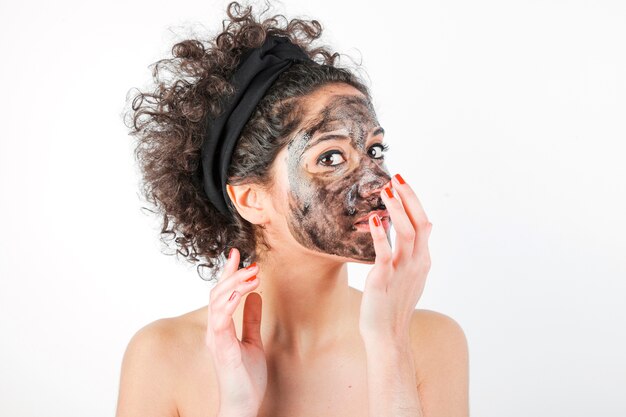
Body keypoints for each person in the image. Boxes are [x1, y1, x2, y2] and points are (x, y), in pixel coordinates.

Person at [116, 2, 469, 416]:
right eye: (331, 158)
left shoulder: (430, 341)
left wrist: (390, 346)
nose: (378, 182)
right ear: (252, 199)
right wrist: (235, 407)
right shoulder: (162, 357)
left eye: (374, 150)